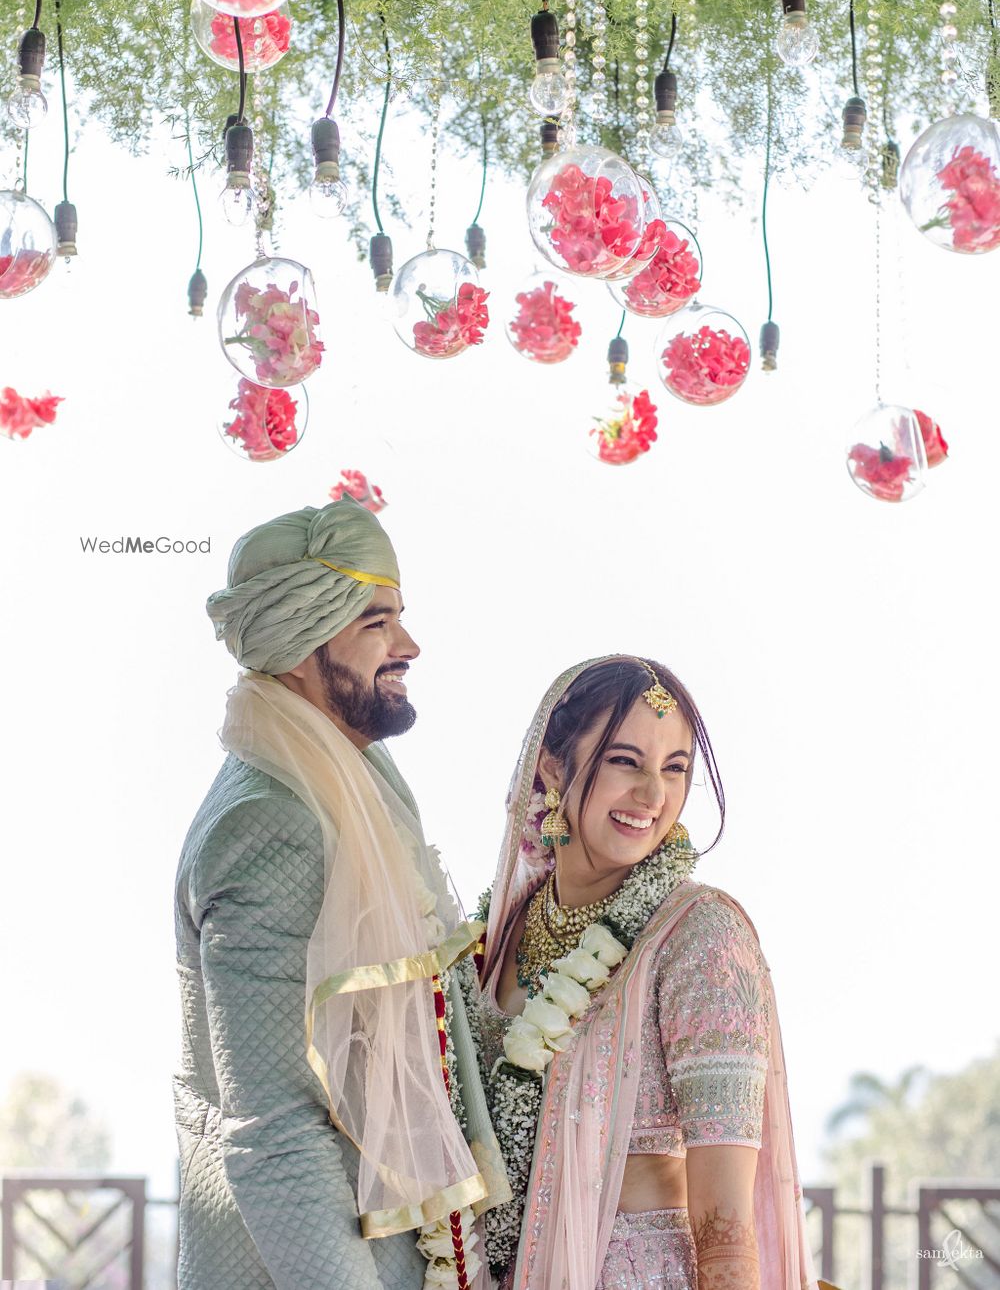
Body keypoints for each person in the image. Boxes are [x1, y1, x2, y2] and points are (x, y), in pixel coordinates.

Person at [173, 497, 505, 1290]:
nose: (409, 645)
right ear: (300, 638)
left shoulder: (347, 777)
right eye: (376, 622)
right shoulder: (269, 821)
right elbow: (274, 1129)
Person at [475, 655, 818, 1290]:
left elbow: (727, 1227)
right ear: (553, 767)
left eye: (675, 768)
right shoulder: (501, 934)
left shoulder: (702, 937)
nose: (653, 795)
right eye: (625, 761)